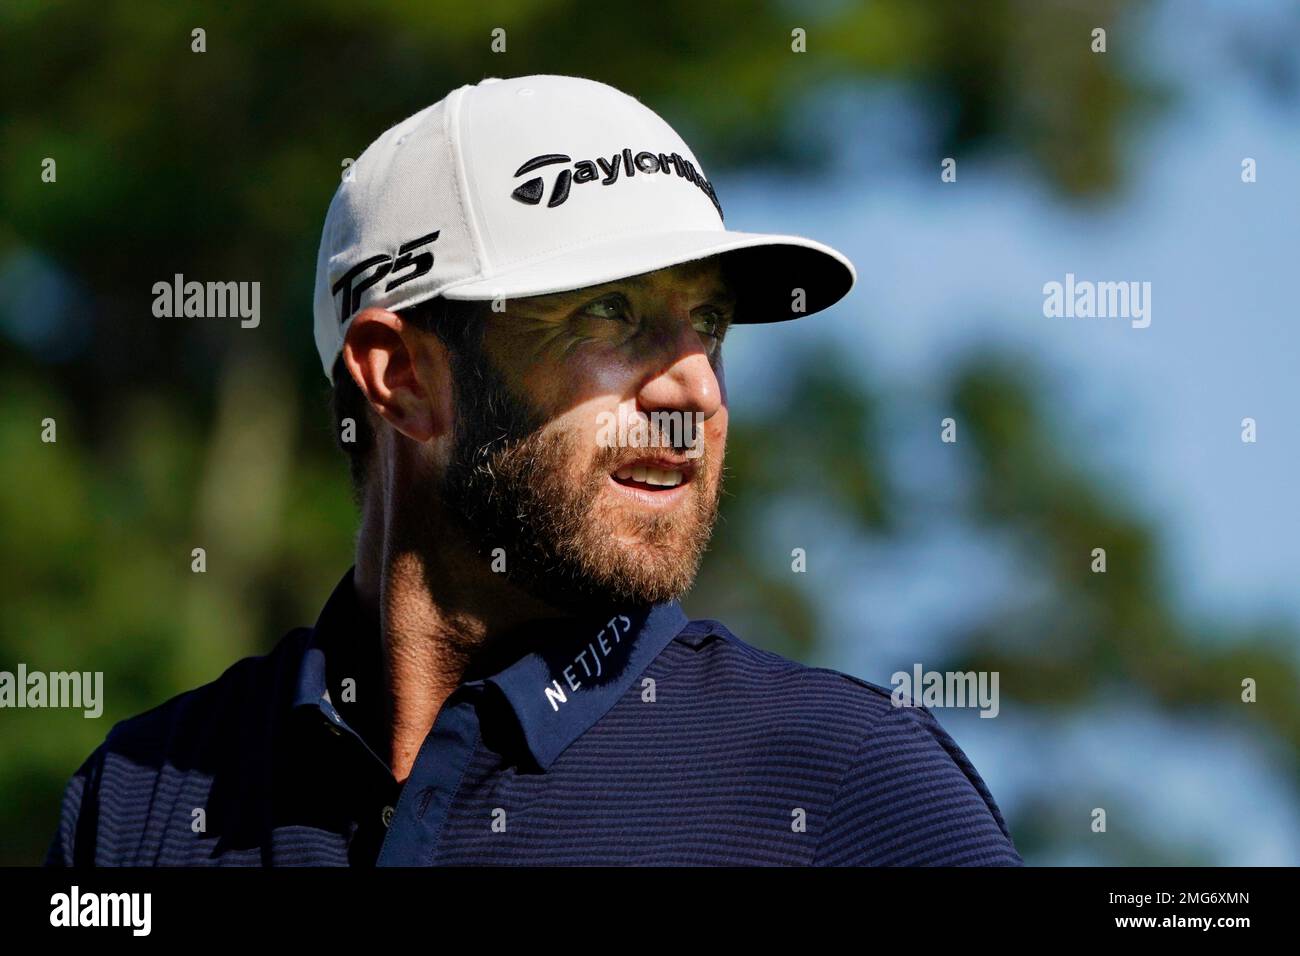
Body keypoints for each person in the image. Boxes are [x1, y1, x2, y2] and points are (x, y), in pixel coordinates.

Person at [46, 74, 1021, 866]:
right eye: (610, 314)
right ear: (401, 377)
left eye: (709, 324)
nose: (696, 392)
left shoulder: (847, 783)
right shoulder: (143, 795)